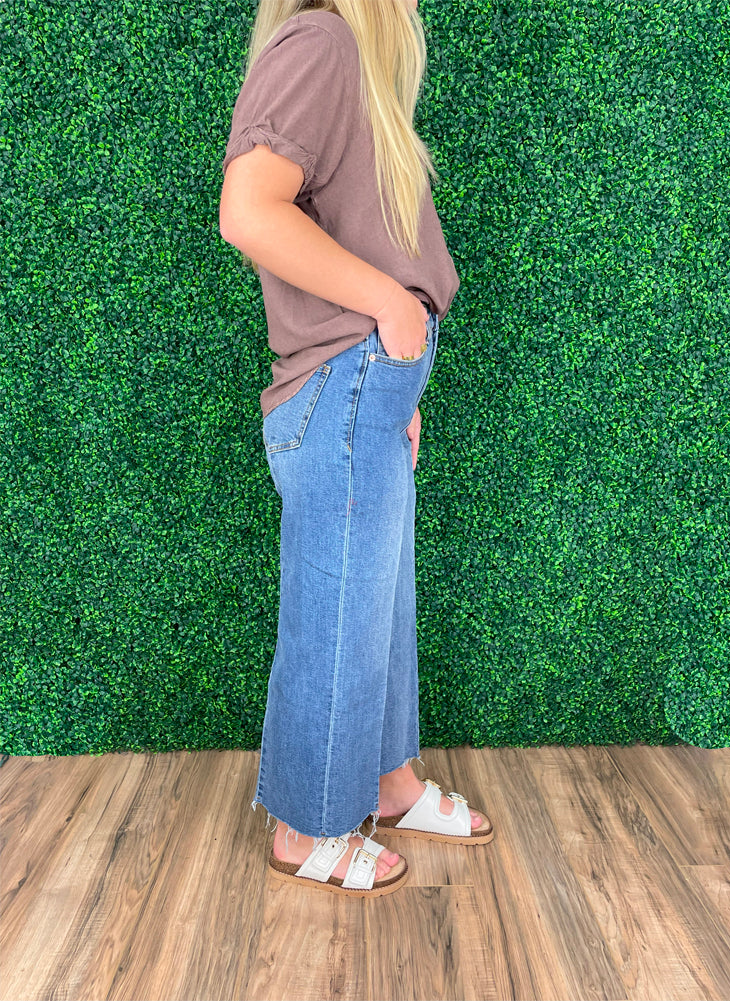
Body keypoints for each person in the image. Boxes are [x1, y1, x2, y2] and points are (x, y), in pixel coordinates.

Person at [219, 0, 493, 897]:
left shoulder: (351, 57)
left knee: (379, 600)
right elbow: (247, 210)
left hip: (369, 382)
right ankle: (306, 824)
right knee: (337, 607)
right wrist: (388, 307)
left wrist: (397, 380)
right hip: (344, 373)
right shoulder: (322, 41)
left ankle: (387, 783)